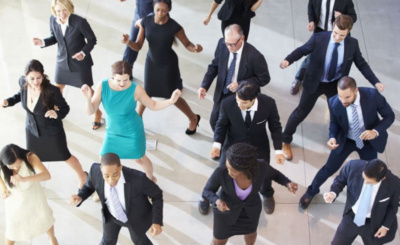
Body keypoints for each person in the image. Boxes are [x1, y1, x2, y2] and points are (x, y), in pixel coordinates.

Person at [279, 15, 385, 161]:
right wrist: (288, 60)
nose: (337, 37)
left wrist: (375, 82)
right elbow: (302, 50)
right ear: (333, 27)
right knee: (300, 112)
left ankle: (335, 139)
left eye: (342, 35)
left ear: (348, 32)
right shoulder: (319, 38)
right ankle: (285, 140)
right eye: (335, 33)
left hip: (335, 85)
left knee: (338, 113)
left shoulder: (352, 44)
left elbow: (362, 64)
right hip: (314, 82)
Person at [298, 76, 394, 210]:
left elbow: (390, 116)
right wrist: (332, 137)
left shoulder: (372, 96)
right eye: (340, 96)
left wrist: (375, 132)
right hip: (345, 140)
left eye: (347, 97)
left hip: (368, 142)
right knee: (328, 168)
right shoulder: (334, 102)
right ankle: (311, 191)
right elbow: (334, 123)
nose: (343, 101)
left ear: (356, 91)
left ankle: (366, 201)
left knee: (371, 174)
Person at [81, 60, 181, 181]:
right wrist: (88, 99)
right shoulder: (102, 86)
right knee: (103, 159)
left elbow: (153, 105)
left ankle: (150, 180)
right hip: (112, 131)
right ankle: (103, 185)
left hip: (132, 131)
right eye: (118, 80)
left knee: (139, 158)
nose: (122, 83)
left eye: (126, 80)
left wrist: (170, 101)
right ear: (112, 76)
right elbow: (90, 112)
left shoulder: (136, 89)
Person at [199, 81, 284, 215]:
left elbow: (275, 127)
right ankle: (207, 196)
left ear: (254, 99)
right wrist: (217, 145)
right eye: (238, 100)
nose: (239, 105)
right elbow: (221, 125)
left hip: (258, 144)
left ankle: (267, 193)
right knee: (222, 171)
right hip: (232, 143)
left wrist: (278, 150)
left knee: (264, 171)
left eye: (244, 103)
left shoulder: (269, 103)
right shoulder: (227, 103)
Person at [121, 0, 203, 135]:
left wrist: (195, 49)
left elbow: (187, 44)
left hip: (168, 65)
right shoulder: (145, 22)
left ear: (169, 10)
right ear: (153, 7)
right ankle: (138, 119)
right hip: (151, 63)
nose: (160, 13)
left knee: (171, 96)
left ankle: (193, 117)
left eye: (164, 11)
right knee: (146, 92)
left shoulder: (174, 26)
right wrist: (128, 42)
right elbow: (138, 46)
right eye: (157, 9)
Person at [2, 60, 87, 188]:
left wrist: (56, 114)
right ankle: (34, 180)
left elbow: (65, 108)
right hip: (32, 130)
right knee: (32, 158)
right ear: (25, 77)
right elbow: (20, 95)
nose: (35, 82)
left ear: (43, 75)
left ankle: (83, 177)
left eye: (38, 78)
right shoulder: (23, 83)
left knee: (65, 156)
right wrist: (9, 101)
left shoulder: (52, 90)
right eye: (31, 79)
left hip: (52, 131)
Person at [202, 143, 297, 245]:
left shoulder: (260, 167)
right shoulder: (221, 172)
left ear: (245, 169)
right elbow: (207, 191)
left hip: (250, 211)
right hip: (226, 213)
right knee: (217, 242)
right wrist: (217, 200)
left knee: (251, 235)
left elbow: (276, 175)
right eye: (228, 167)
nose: (229, 173)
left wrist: (287, 183)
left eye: (233, 171)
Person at [32, 0, 102, 130]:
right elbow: (54, 37)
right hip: (62, 62)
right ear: (54, 11)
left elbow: (92, 40)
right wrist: (42, 42)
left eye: (64, 10)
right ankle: (57, 111)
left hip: (80, 63)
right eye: (58, 11)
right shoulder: (53, 20)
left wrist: (83, 53)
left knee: (86, 91)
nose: (61, 14)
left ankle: (97, 113)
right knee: (57, 89)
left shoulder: (80, 22)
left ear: (70, 8)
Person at [70, 153, 163, 245]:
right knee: (107, 241)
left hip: (135, 218)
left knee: (140, 241)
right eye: (106, 176)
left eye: (115, 175)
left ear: (120, 167)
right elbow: (89, 187)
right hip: (111, 216)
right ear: (101, 170)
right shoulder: (94, 171)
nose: (111, 180)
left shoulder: (138, 179)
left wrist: (156, 221)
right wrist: (80, 196)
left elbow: (157, 195)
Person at [199, 24, 270, 132]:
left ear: (242, 38)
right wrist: (204, 85)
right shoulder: (222, 44)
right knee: (214, 121)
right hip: (223, 92)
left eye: (232, 45)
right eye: (227, 43)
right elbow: (214, 66)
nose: (228, 48)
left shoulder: (255, 56)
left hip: (242, 95)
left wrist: (241, 83)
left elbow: (264, 78)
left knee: (239, 126)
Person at [323, 159, 400, 244]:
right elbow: (340, 180)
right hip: (351, 217)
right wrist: (333, 193)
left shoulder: (394, 183)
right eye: (364, 178)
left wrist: (385, 226)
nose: (365, 183)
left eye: (370, 182)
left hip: (374, 224)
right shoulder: (352, 166)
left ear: (382, 178)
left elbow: (393, 206)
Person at [290, 0, 357, 95]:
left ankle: (336, 85)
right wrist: (312, 21)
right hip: (320, 32)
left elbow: (353, 17)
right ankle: (298, 79)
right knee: (311, 58)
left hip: (337, 34)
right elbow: (311, 6)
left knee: (337, 60)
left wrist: (342, 17)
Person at [0, 144, 58, 245]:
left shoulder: (30, 157)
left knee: (44, 219)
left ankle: (52, 238)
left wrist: (23, 179)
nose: (14, 167)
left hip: (33, 196)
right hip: (14, 199)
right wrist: (3, 189)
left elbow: (46, 175)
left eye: (18, 164)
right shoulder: (3, 162)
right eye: (11, 166)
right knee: (12, 230)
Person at [119, 0, 153, 72]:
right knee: (131, 42)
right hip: (139, 14)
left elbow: (163, 9)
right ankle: (126, 70)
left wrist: (143, 20)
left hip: (152, 22)